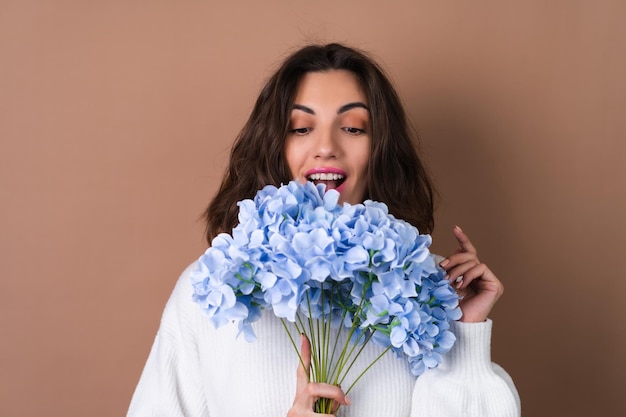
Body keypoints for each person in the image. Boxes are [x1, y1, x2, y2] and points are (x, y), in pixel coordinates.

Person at [128, 43, 521, 417]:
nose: (326, 146)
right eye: (301, 128)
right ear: (274, 147)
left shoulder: (432, 293)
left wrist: (466, 333)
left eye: (352, 128)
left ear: (380, 148)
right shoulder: (216, 288)